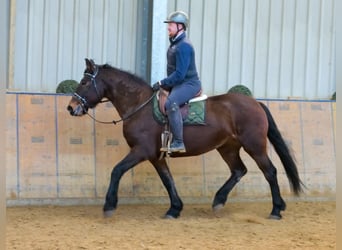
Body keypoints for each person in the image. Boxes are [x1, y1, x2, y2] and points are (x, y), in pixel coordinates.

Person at [152, 11, 202, 153]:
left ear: (180, 26)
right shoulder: (175, 44)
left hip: (189, 84)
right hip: (179, 83)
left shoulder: (183, 46)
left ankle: (179, 142)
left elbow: (180, 75)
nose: (168, 27)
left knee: (171, 103)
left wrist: (162, 82)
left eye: (171, 25)